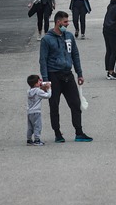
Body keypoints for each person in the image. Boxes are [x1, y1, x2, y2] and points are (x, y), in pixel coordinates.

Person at [38, 11, 92, 143]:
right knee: (54, 105)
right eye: (65, 22)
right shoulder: (47, 39)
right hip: (53, 75)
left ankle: (79, 132)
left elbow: (75, 55)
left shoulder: (69, 36)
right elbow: (43, 60)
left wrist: (79, 73)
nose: (67, 24)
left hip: (68, 74)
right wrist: (45, 80)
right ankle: (57, 133)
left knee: (75, 103)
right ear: (58, 22)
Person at [25, 75, 52, 146]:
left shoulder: (29, 91)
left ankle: (29, 139)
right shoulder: (38, 91)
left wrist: (41, 87)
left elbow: (37, 92)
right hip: (36, 112)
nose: (41, 81)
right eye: (39, 80)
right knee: (37, 126)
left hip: (30, 112)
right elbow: (48, 96)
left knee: (30, 127)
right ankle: (37, 140)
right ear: (36, 84)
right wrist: (49, 88)